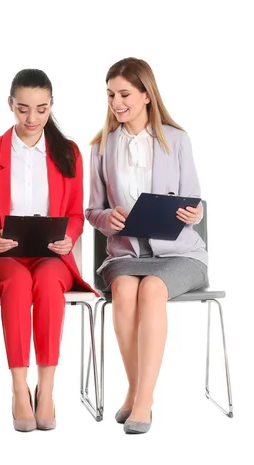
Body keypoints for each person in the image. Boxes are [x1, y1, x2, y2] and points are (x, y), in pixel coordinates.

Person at [0, 69, 94, 432]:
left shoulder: (68, 153)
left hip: (53, 255)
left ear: (51, 106)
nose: (32, 119)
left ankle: (46, 390)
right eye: (22, 109)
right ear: (10, 105)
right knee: (19, 283)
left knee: (49, 284)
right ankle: (20, 389)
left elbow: (75, 214)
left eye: (41, 109)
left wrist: (70, 236)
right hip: (3, 256)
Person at [85, 57, 208, 434]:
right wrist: (109, 219)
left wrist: (194, 214)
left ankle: (142, 400)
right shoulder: (102, 146)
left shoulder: (177, 140)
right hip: (126, 254)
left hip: (180, 254)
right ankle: (138, 391)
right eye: (110, 95)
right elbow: (93, 210)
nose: (116, 102)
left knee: (152, 289)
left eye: (124, 94)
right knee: (124, 289)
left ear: (146, 95)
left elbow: (195, 201)